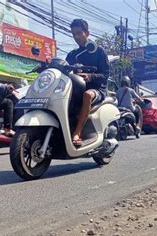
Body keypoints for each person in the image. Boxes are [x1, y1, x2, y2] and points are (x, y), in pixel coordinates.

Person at [65, 18, 109, 147]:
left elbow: (105, 75)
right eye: (74, 34)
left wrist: (89, 76)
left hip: (97, 89)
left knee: (87, 95)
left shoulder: (98, 51)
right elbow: (64, 67)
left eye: (79, 33)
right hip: (77, 88)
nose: (76, 37)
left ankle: (77, 132)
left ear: (87, 33)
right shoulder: (73, 54)